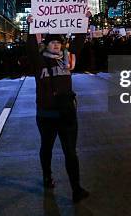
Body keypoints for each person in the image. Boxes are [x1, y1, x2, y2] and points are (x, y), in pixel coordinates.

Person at [26, 14, 90, 203]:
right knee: (47, 147)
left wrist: (84, 22)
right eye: (52, 42)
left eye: (59, 42)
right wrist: (31, 28)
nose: (56, 45)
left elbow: (79, 43)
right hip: (46, 115)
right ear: (46, 45)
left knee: (71, 151)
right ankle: (47, 176)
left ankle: (76, 188)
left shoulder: (67, 60)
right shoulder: (39, 62)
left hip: (67, 114)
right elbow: (30, 48)